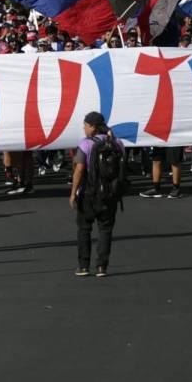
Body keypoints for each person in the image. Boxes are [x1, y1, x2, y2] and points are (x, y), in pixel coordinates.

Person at [69, 111, 125, 276]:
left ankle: (84, 266)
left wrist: (73, 192)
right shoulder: (118, 143)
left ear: (92, 127)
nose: (84, 128)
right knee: (105, 229)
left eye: (85, 125)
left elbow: (79, 169)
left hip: (89, 192)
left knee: (84, 228)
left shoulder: (85, 144)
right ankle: (102, 266)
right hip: (110, 193)